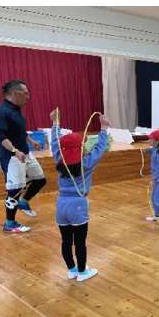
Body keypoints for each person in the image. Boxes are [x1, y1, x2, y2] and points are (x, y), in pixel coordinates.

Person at [50, 108, 111, 282]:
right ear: (80, 147)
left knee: (66, 241)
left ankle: (72, 270)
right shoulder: (87, 163)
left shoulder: (59, 159)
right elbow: (100, 148)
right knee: (80, 242)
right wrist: (104, 128)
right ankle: (83, 272)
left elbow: (55, 143)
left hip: (61, 205)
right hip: (78, 205)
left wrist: (55, 123)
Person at [0, 79, 45, 233]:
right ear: (15, 93)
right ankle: (10, 223)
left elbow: (18, 131)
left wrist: (31, 140)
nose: (28, 96)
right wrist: (15, 150)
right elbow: (2, 138)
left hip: (24, 152)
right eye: (26, 93)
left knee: (40, 180)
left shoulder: (16, 109)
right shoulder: (1, 112)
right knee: (15, 189)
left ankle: (23, 202)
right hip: (11, 157)